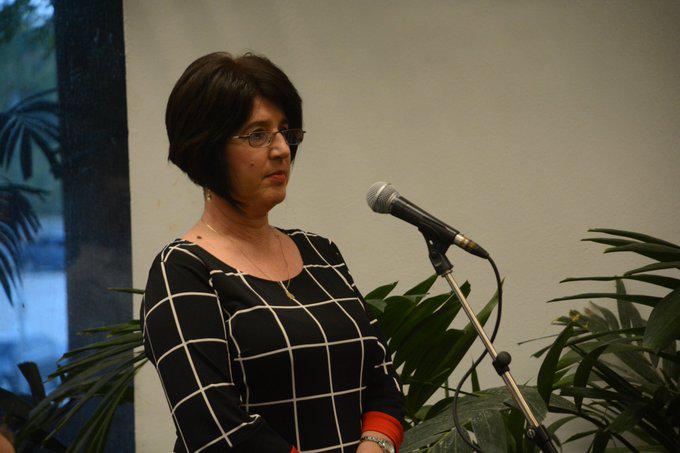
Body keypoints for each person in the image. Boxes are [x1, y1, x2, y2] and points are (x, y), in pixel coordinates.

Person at [141, 52, 405, 453]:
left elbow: (383, 380)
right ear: (207, 149)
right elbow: (214, 428)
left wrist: (375, 447)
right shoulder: (181, 270)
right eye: (257, 135)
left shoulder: (320, 253)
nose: (282, 149)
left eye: (285, 132)